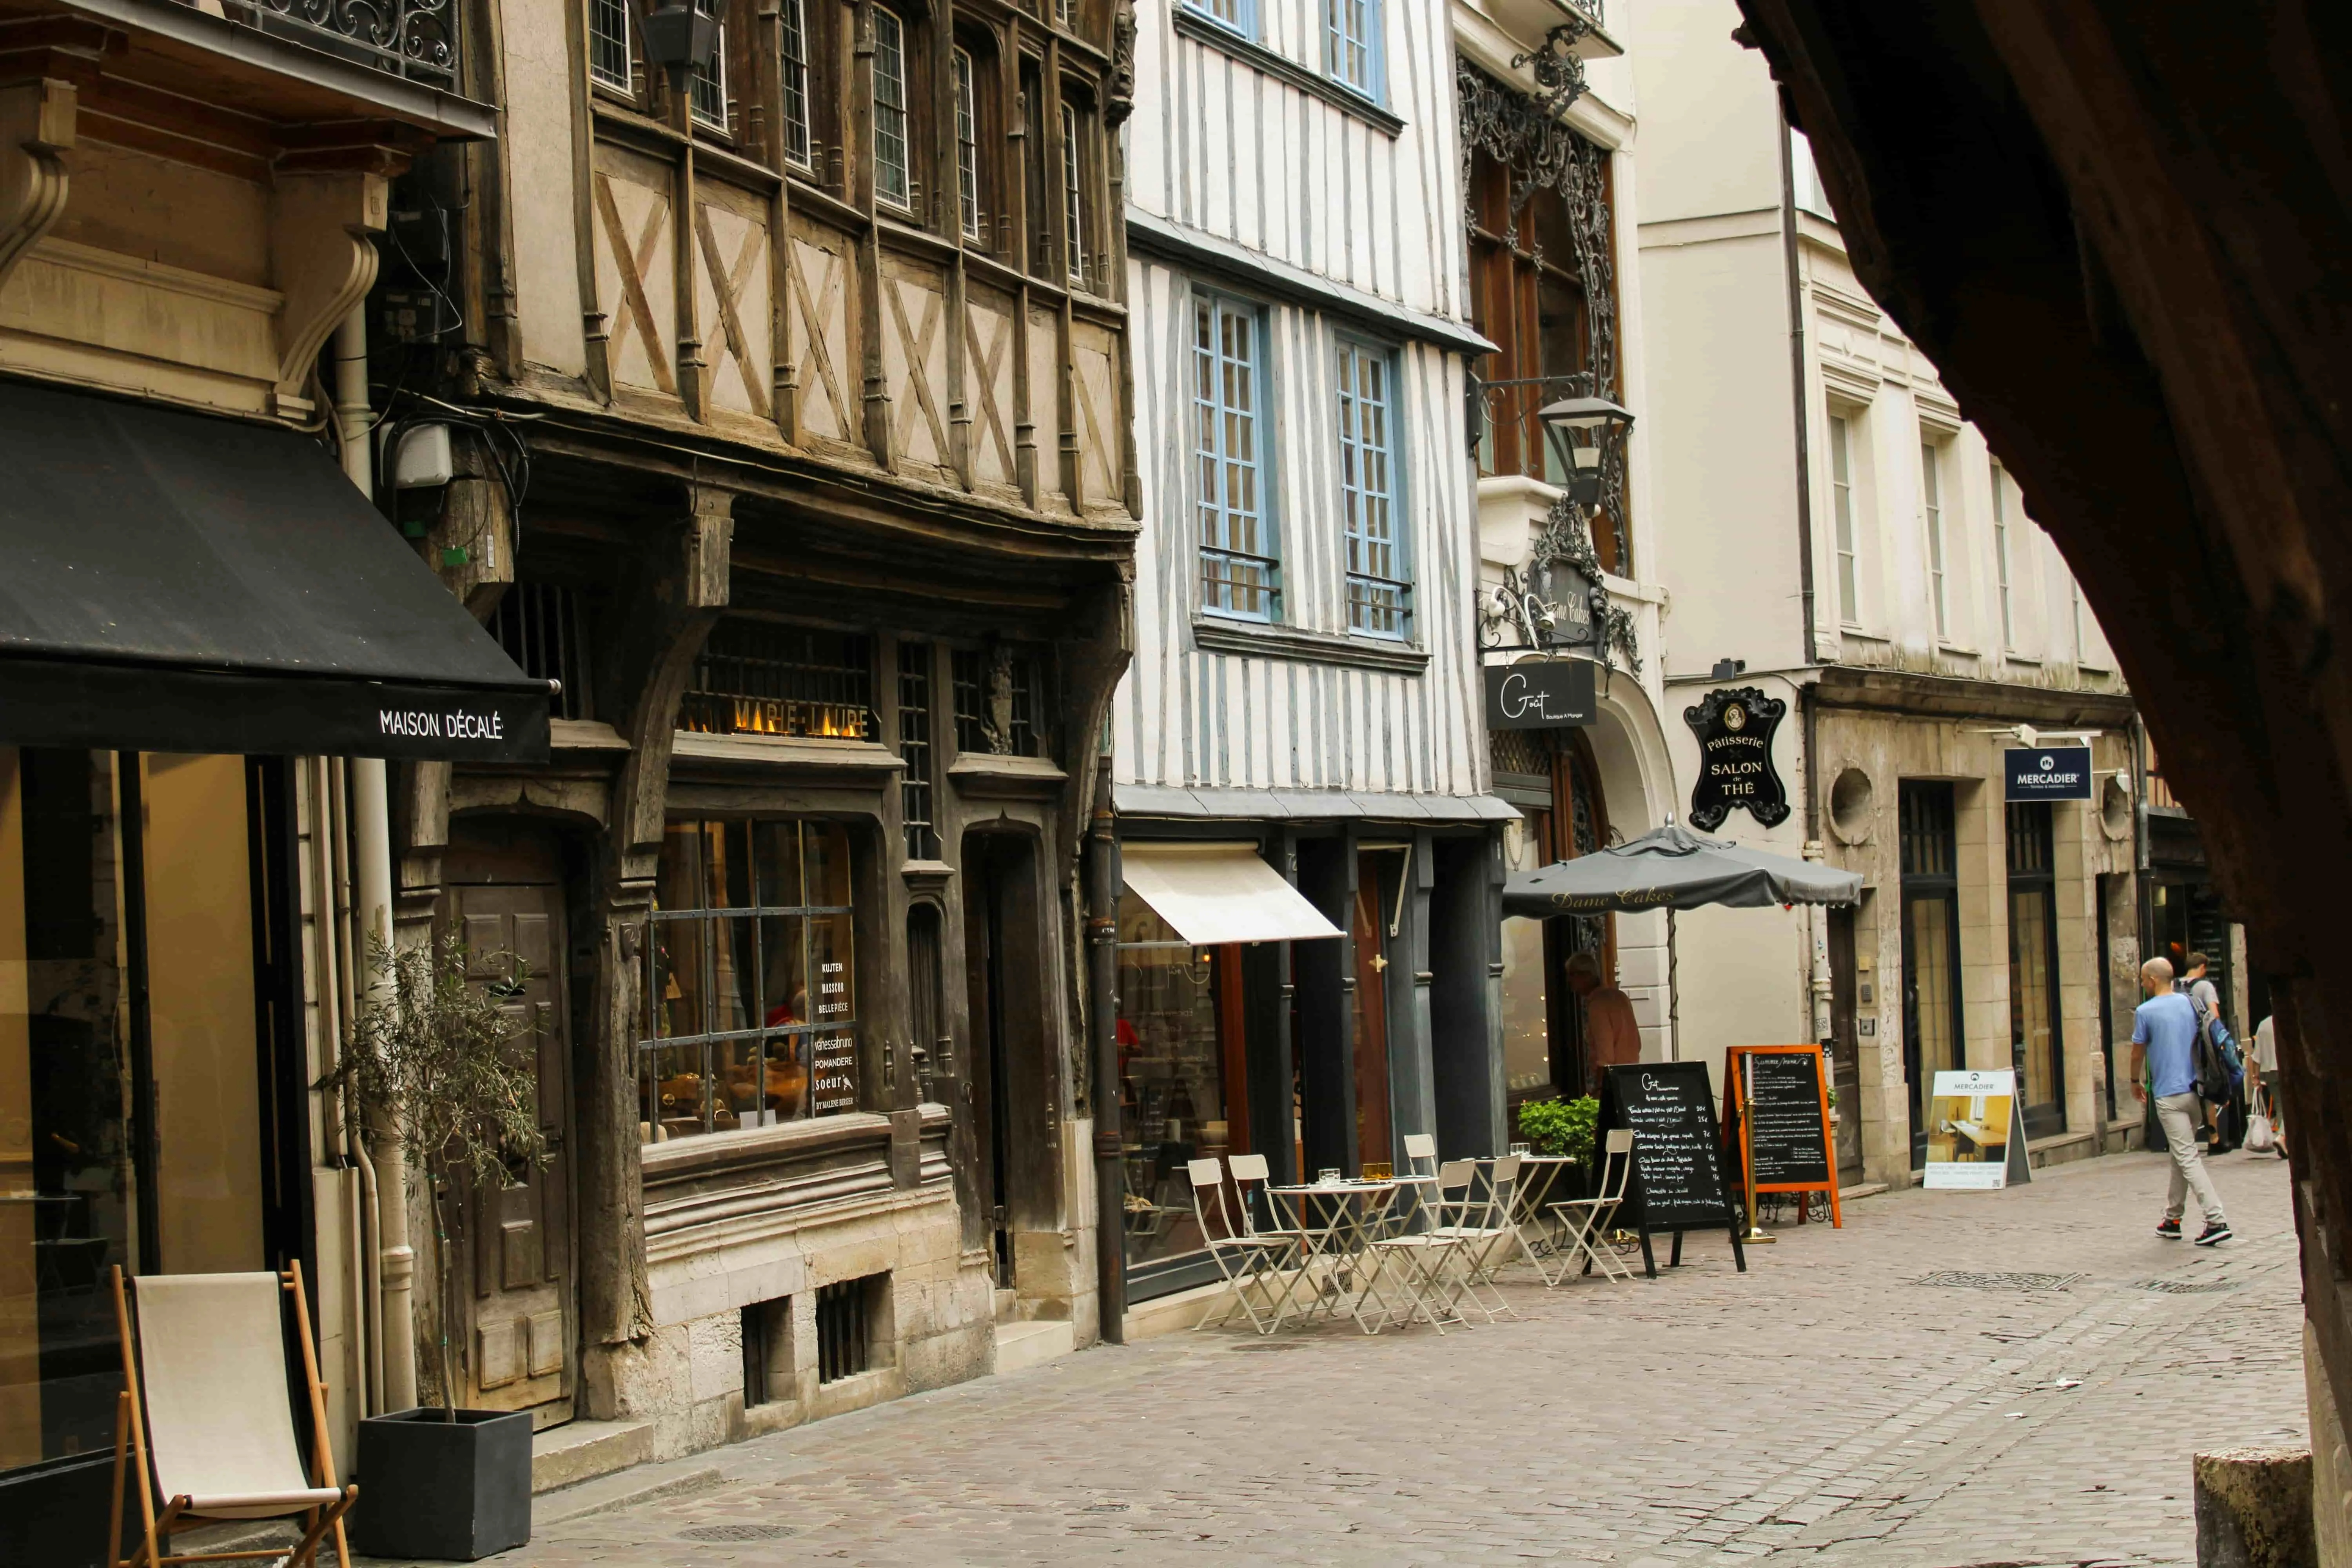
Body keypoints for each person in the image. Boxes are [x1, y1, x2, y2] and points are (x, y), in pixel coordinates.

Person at [2131, 956, 2230, 1245]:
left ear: (2152, 980)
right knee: (2181, 1155)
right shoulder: (2191, 1003)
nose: (2141, 983)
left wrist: (2134, 1082)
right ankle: (2172, 1218)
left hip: (2169, 1094)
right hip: (2196, 1092)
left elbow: (2137, 1053)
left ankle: (2216, 1219)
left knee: (2187, 1157)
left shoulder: (2145, 1011)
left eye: (2142, 979)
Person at [2183, 952, 2241, 1151]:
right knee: (2207, 1087)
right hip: (2200, 1044)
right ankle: (2214, 1139)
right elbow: (2214, 1016)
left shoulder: (2174, 987)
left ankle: (2182, 1137)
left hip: (2179, 1044)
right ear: (2202, 967)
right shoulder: (2205, 986)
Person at [1568, 951, 1641, 1095]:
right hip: (1632, 1076)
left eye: (1572, 975)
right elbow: (1636, 1042)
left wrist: (1600, 1090)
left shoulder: (1598, 1005)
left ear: (1585, 975)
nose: (1570, 982)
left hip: (1614, 1083)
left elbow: (1605, 1055)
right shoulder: (1620, 997)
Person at [2252, 1013, 2287, 1160]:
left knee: (2280, 1106)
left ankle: (2285, 1143)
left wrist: (2256, 1078)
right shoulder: (2286, 1021)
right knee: (2291, 1105)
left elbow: (2256, 1055)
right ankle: (2283, 1136)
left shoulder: (2263, 1025)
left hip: (2269, 1071)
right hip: (2285, 1068)